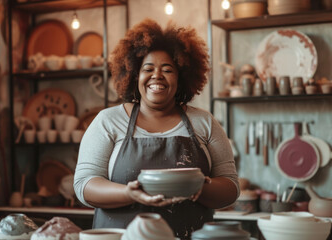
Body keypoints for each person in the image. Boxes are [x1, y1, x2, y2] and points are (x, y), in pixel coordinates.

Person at [74, 19, 239, 240]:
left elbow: (230, 187)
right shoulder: (108, 121)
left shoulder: (204, 122)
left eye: (168, 69)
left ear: (181, 77)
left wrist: (202, 189)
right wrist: (128, 193)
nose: (157, 76)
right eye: (148, 69)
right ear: (134, 75)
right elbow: (84, 185)